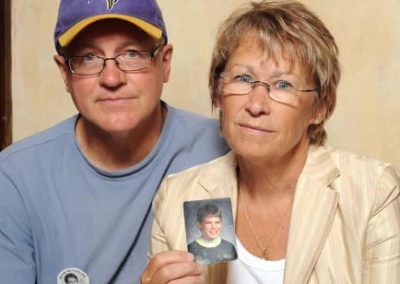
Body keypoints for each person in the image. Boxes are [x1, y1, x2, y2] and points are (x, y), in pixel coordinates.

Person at [142, 1, 400, 283]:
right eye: (243, 78)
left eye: (283, 85)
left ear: (320, 108)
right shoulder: (180, 195)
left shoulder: (372, 191)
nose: (256, 105)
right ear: (218, 93)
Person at [0, 0, 228, 283]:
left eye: (132, 53)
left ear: (165, 63)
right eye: (88, 58)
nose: (111, 77)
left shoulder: (220, 149)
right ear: (64, 74)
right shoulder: (15, 179)